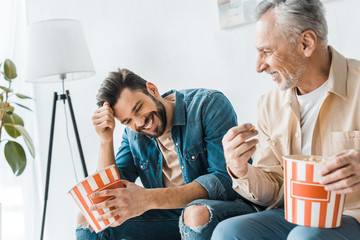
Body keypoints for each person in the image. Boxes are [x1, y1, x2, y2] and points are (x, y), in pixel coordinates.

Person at [212, 0, 360, 239]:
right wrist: (240, 169)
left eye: (267, 51)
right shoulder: (270, 104)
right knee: (228, 231)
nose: (259, 66)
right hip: (294, 215)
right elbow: (274, 186)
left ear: (306, 43)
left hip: (352, 215)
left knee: (305, 237)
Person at [76, 69, 256, 240]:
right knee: (88, 218)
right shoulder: (133, 135)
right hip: (170, 216)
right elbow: (107, 197)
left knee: (195, 212)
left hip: (223, 209)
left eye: (138, 108)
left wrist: (148, 199)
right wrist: (105, 140)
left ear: (152, 90)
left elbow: (224, 182)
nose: (140, 122)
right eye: (128, 121)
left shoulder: (208, 105)